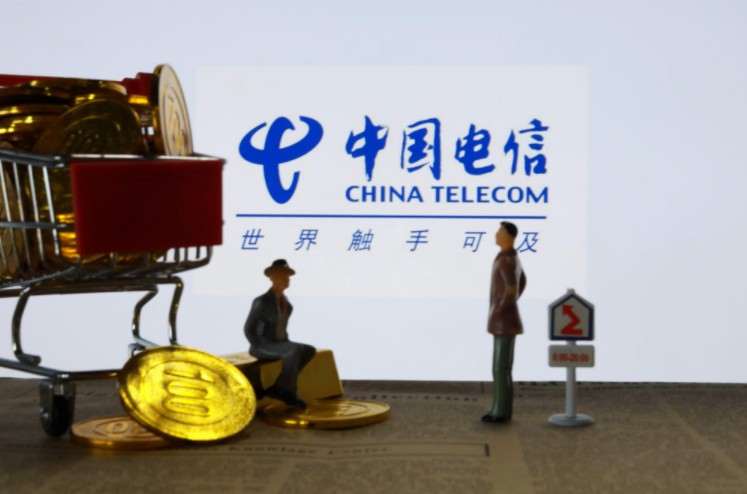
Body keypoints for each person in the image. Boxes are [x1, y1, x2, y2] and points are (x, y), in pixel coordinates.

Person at [244, 259, 316, 408]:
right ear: (273, 278)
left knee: (309, 350)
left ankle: (279, 387)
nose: (287, 279)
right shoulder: (262, 301)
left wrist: (285, 344)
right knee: (294, 350)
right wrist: (259, 345)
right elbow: (249, 328)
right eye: (283, 276)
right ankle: (288, 392)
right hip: (261, 345)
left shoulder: (288, 305)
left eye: (288, 277)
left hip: (279, 344)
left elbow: (282, 329)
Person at [482, 222, 526, 423]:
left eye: (499, 231)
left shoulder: (507, 260)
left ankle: (500, 410)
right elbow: (522, 281)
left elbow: (512, 289)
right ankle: (500, 408)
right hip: (506, 319)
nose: (496, 234)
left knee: (500, 369)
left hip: (504, 321)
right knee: (503, 368)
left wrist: (499, 309)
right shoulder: (510, 257)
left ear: (508, 235)